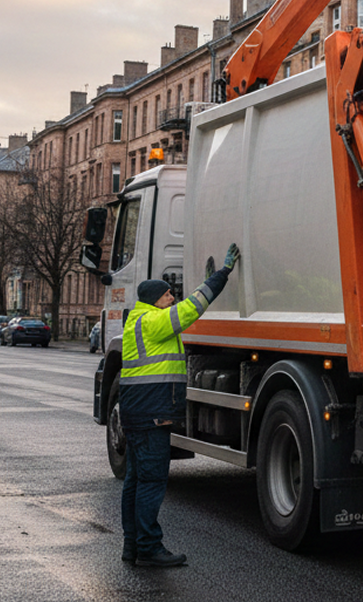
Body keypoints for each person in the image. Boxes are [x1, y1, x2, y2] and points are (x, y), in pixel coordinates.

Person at [119, 243, 239, 568]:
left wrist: (203, 282)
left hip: (138, 414)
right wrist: (221, 275)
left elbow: (184, 307)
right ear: (155, 299)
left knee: (135, 481)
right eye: (168, 294)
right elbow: (190, 310)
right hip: (151, 415)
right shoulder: (153, 322)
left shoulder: (139, 322)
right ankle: (149, 548)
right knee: (152, 481)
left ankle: (133, 546)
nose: (172, 297)